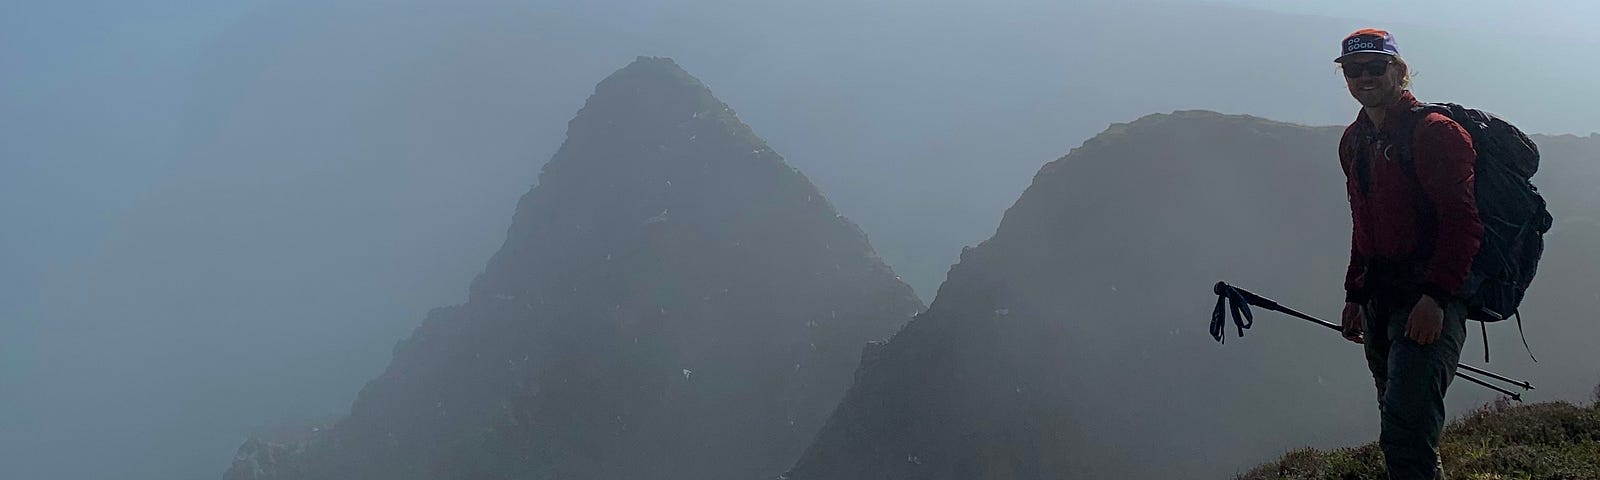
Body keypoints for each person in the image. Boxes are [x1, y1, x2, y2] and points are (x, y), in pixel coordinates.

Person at [1334, 28, 1485, 479]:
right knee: (1398, 420)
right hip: (1380, 300)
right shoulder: (1354, 141)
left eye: (1375, 67)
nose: (1364, 78)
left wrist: (1436, 297)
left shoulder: (1436, 134)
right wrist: (1355, 295)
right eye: (1353, 70)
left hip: (1428, 303)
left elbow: (1464, 224)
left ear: (1399, 70)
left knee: (1406, 431)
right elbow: (1365, 226)